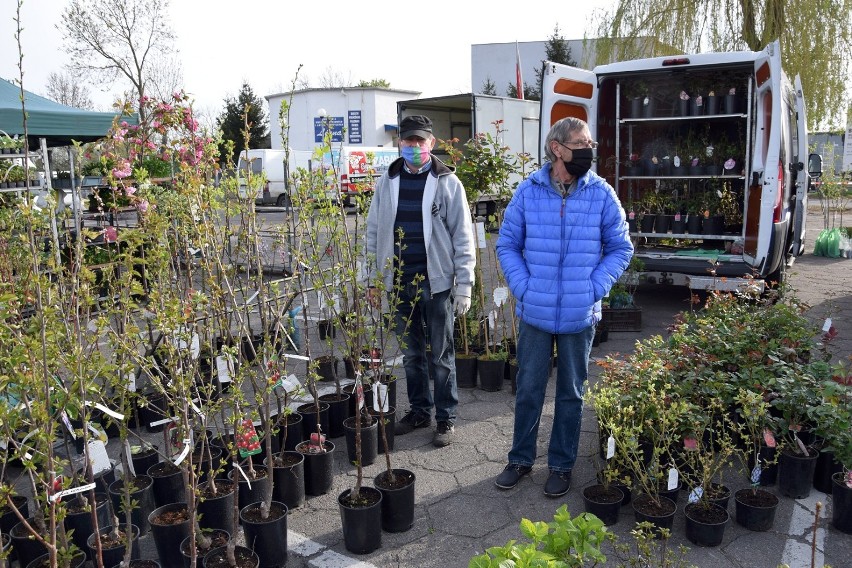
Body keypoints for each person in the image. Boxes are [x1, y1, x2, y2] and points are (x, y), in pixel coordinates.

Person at [494, 116, 633, 496]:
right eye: (581, 144)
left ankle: (560, 464)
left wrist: (594, 287)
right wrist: (524, 286)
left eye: (590, 144)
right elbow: (507, 244)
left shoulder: (602, 194)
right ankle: (520, 459)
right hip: (535, 312)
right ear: (557, 148)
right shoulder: (529, 192)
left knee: (571, 393)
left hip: (579, 313)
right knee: (529, 388)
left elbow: (622, 247)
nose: (589, 150)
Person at [365, 115, 476, 448]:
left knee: (440, 355)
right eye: (408, 141)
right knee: (412, 355)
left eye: (420, 141)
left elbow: (463, 236)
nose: (414, 147)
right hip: (399, 281)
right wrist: (372, 279)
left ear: (432, 142)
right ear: (400, 143)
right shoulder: (387, 181)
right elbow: (372, 232)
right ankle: (419, 411)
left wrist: (464, 285)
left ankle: (445, 419)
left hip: (436, 283)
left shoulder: (447, 182)